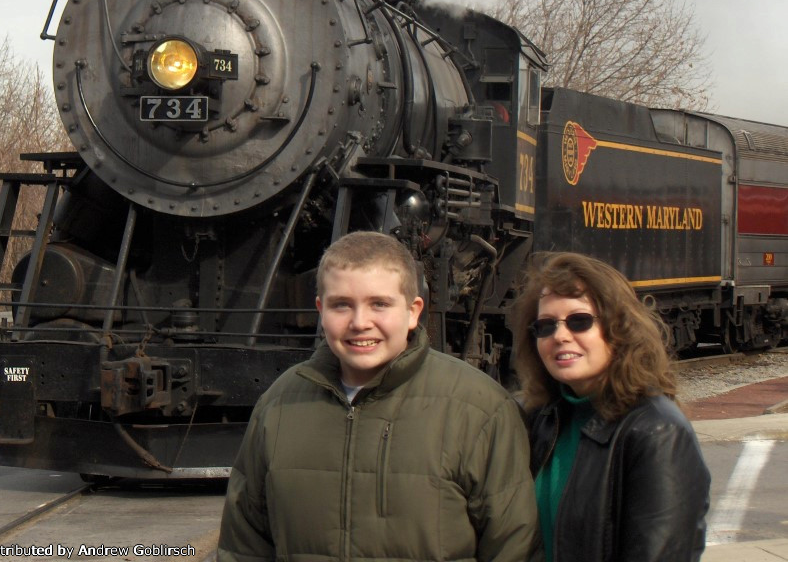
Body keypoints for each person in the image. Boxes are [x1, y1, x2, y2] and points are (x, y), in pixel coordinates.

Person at [218, 231, 541, 562]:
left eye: (379, 304)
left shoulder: (481, 409)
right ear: (320, 310)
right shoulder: (278, 405)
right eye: (341, 305)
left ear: (414, 311)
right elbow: (243, 546)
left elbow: (514, 548)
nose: (360, 323)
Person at [511, 252, 710, 562]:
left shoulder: (658, 431)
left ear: (620, 329)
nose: (560, 336)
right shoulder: (541, 419)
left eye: (579, 321)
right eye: (546, 326)